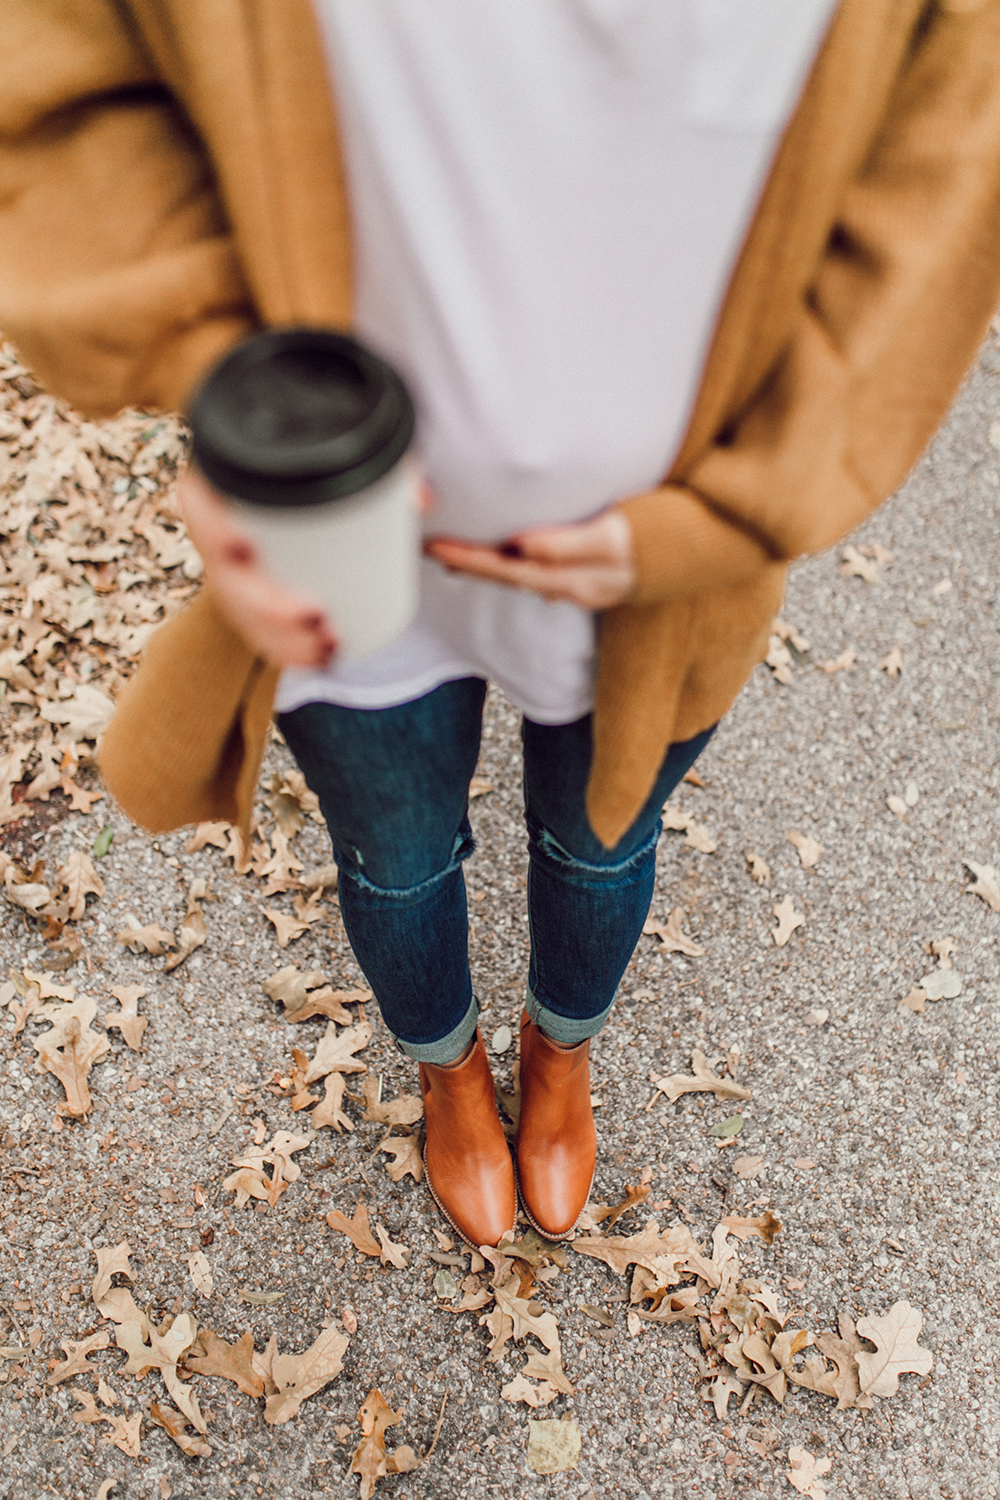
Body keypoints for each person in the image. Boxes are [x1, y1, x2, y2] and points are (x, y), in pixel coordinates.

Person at [4, 0, 1000, 1249]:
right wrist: (217, 372)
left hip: (662, 563)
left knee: (599, 839)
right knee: (397, 856)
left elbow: (943, 184)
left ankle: (558, 1055)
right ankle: (450, 1074)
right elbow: (62, 74)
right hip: (345, 519)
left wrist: (744, 507)